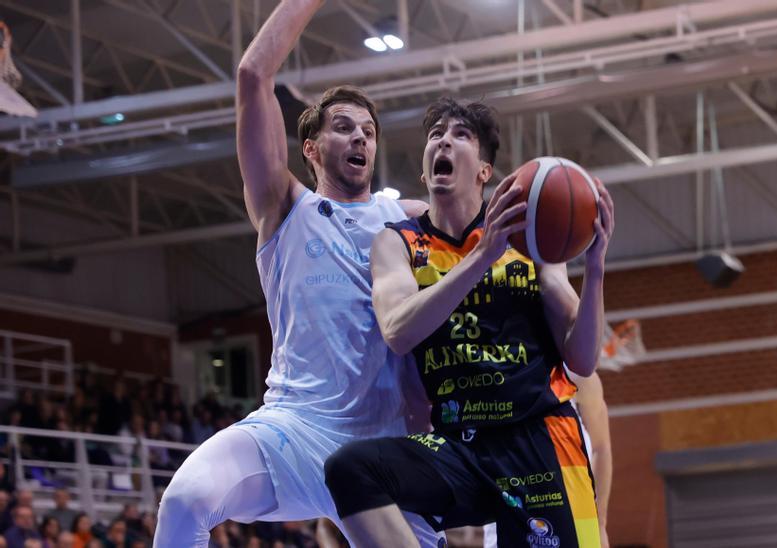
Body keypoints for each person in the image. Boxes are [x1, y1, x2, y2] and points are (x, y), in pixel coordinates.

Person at [153, 0, 437, 545]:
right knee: (187, 499)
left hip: (385, 446)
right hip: (295, 429)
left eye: (368, 131)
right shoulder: (285, 207)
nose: (360, 137)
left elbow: (480, 221)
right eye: (343, 127)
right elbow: (253, 74)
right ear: (309, 148)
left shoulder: (406, 220)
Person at [324, 96, 615, 547]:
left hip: (540, 441)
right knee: (352, 469)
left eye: (461, 135)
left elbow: (583, 356)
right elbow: (399, 331)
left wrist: (595, 270)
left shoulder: (527, 238)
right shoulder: (397, 243)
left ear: (484, 171)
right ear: (425, 171)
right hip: (460, 446)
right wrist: (481, 257)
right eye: (436, 134)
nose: (444, 140)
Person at [483, 371, 614, 547]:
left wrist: (601, 522)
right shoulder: (488, 380)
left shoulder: (575, 375)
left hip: (576, 519)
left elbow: (601, 448)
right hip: (512, 520)